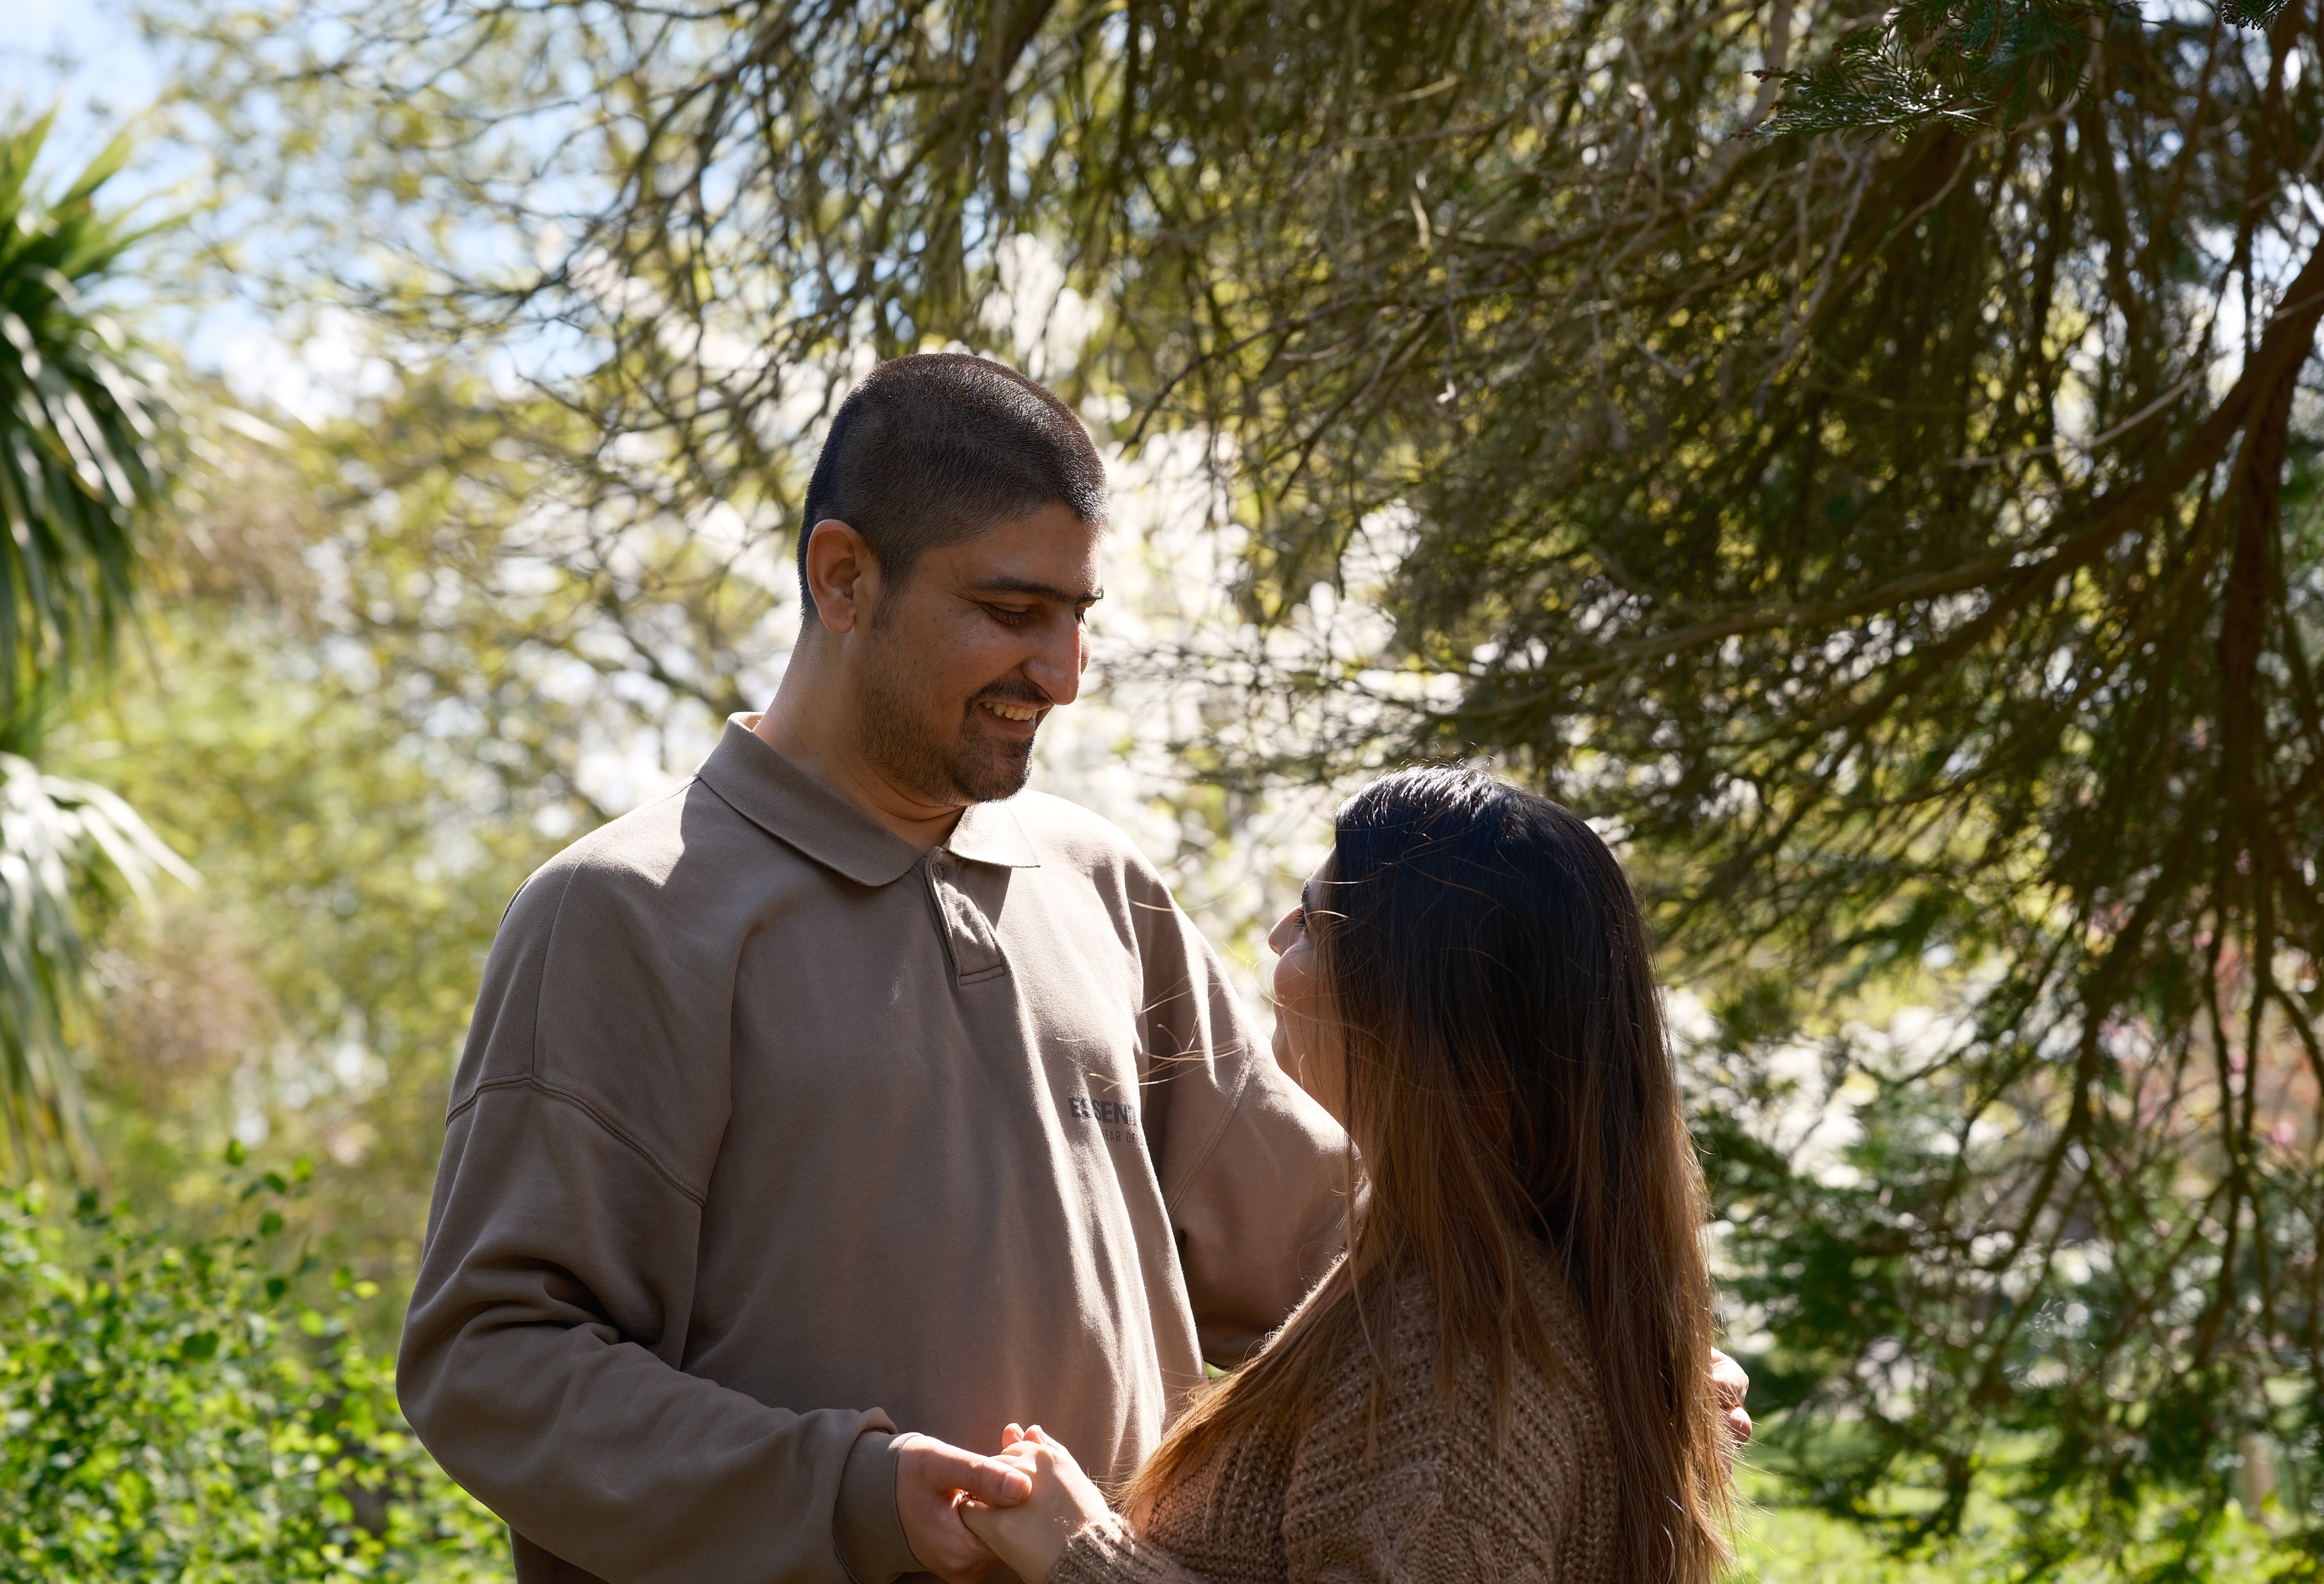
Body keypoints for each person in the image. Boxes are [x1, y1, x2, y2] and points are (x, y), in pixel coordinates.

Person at [398, 353, 1749, 1584]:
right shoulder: (624, 915)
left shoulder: (1099, 883)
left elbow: (1348, 1236)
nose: (1063, 671)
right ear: (843, 578)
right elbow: (493, 1363)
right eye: (1011, 610)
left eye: (1078, 614)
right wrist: (849, 1491)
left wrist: (1613, 1349)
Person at [961, 766, 1737, 1584]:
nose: (1276, 937)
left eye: (1317, 921)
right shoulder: (1481, 1294)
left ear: (1414, 1000)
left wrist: (1081, 1554)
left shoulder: (1453, 1357)